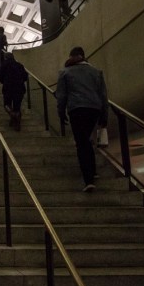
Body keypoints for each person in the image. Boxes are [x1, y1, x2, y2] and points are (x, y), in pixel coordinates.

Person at [55, 46, 108, 192]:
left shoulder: (65, 72)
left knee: (81, 142)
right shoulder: (96, 72)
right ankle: (93, 171)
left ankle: (88, 179)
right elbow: (104, 96)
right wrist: (104, 116)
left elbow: (61, 96)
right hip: (94, 109)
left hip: (77, 109)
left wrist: (61, 113)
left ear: (71, 57)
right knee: (87, 139)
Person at [0, 53, 28, 131]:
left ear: (5, 58)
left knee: (6, 104)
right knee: (17, 106)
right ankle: (16, 119)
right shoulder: (19, 65)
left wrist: (4, 81)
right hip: (19, 88)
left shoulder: (4, 65)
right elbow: (25, 76)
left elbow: (0, 76)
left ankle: (12, 115)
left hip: (8, 88)